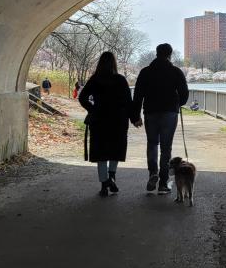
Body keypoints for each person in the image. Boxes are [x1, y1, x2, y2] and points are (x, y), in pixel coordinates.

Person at [132, 43, 190, 194]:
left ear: (156, 54)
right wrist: (178, 103)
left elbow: (137, 95)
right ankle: (163, 183)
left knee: (152, 144)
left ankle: (153, 173)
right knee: (166, 148)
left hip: (150, 112)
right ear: (170, 55)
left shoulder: (146, 72)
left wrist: (135, 116)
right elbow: (184, 93)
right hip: (170, 113)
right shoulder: (176, 72)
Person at [78, 52, 135, 198]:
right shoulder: (121, 80)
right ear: (114, 63)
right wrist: (134, 118)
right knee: (116, 150)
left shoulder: (95, 80)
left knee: (101, 153)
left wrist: (92, 108)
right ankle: (112, 177)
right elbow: (129, 102)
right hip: (118, 120)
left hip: (99, 120)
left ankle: (104, 185)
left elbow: (82, 97)